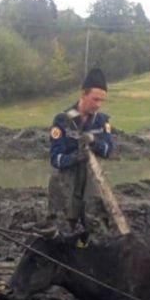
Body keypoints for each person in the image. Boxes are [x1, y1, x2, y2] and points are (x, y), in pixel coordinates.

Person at [47, 67, 113, 232]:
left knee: (95, 225)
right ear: (83, 94)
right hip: (67, 184)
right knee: (63, 227)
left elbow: (107, 151)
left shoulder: (102, 121)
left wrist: (93, 141)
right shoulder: (63, 120)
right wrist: (75, 157)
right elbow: (56, 159)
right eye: (95, 99)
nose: (98, 105)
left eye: (102, 101)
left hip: (93, 183)